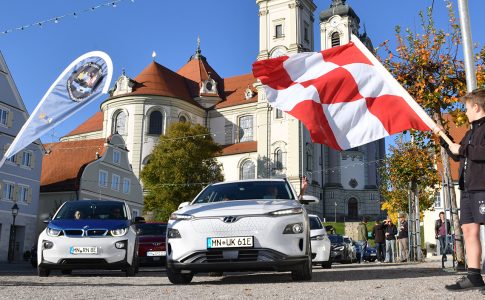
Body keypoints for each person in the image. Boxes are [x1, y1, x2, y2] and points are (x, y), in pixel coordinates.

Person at [437, 88, 485, 292]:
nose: (465, 112)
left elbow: (479, 152)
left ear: (476, 106)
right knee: (468, 230)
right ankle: (474, 276)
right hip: (467, 189)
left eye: (466, 108)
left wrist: (463, 149)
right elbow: (460, 155)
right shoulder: (470, 132)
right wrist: (445, 139)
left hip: (482, 187)